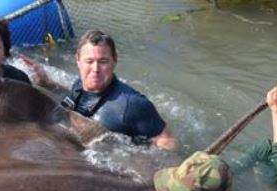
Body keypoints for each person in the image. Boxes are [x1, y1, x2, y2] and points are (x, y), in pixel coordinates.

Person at [22, 30, 179, 150]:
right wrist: (47, 83)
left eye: (103, 61)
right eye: (89, 61)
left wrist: (141, 163)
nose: (95, 69)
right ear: (78, 61)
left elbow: (168, 140)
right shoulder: (79, 84)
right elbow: (78, 100)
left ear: (115, 60)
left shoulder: (132, 104)